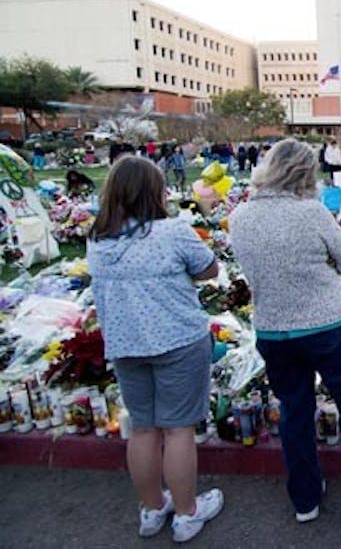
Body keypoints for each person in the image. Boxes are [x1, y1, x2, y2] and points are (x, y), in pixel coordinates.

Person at [229, 139, 341, 527]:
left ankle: (305, 499)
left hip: (274, 328)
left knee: (294, 410)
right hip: (326, 325)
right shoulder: (311, 212)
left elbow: (251, 267)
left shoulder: (240, 217)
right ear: (305, 172)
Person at [87, 156, 223, 543]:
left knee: (143, 428)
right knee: (179, 428)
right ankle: (186, 512)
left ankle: (151, 508)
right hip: (176, 338)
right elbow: (210, 268)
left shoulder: (98, 237)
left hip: (126, 343)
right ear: (153, 192)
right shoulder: (171, 231)